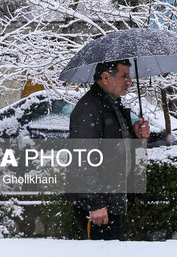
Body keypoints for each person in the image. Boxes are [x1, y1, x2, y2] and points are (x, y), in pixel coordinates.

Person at [67, 59, 150, 240]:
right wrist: (95, 203)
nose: (129, 81)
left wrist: (135, 133)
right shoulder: (90, 108)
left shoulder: (111, 105)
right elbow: (82, 160)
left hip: (110, 201)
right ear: (106, 77)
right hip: (98, 207)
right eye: (124, 76)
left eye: (129, 75)